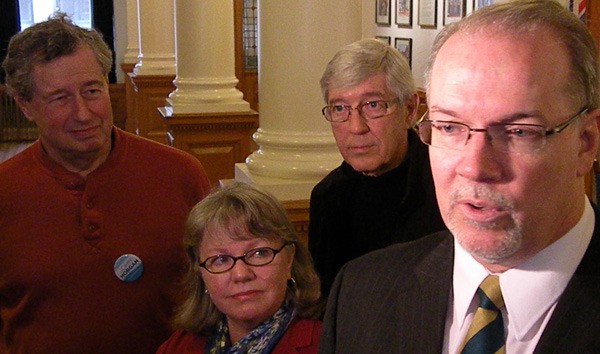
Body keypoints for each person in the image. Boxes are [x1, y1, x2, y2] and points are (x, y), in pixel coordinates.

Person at [319, 1, 600, 352]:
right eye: (450, 127)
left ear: (586, 143)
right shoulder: (360, 295)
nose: (475, 167)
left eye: (518, 131)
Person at [0, 13, 211, 353]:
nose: (83, 113)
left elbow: (214, 288)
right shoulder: (6, 192)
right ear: (25, 105)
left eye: (92, 90)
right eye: (60, 98)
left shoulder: (180, 173)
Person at [309, 38, 445, 298]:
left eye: (373, 105)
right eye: (340, 108)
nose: (356, 127)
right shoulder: (327, 197)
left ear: (409, 109)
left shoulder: (446, 182)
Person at [157, 181, 323, 353]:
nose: (241, 274)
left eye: (259, 253)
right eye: (220, 259)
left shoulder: (326, 345)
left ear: (289, 260)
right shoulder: (179, 346)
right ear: (200, 274)